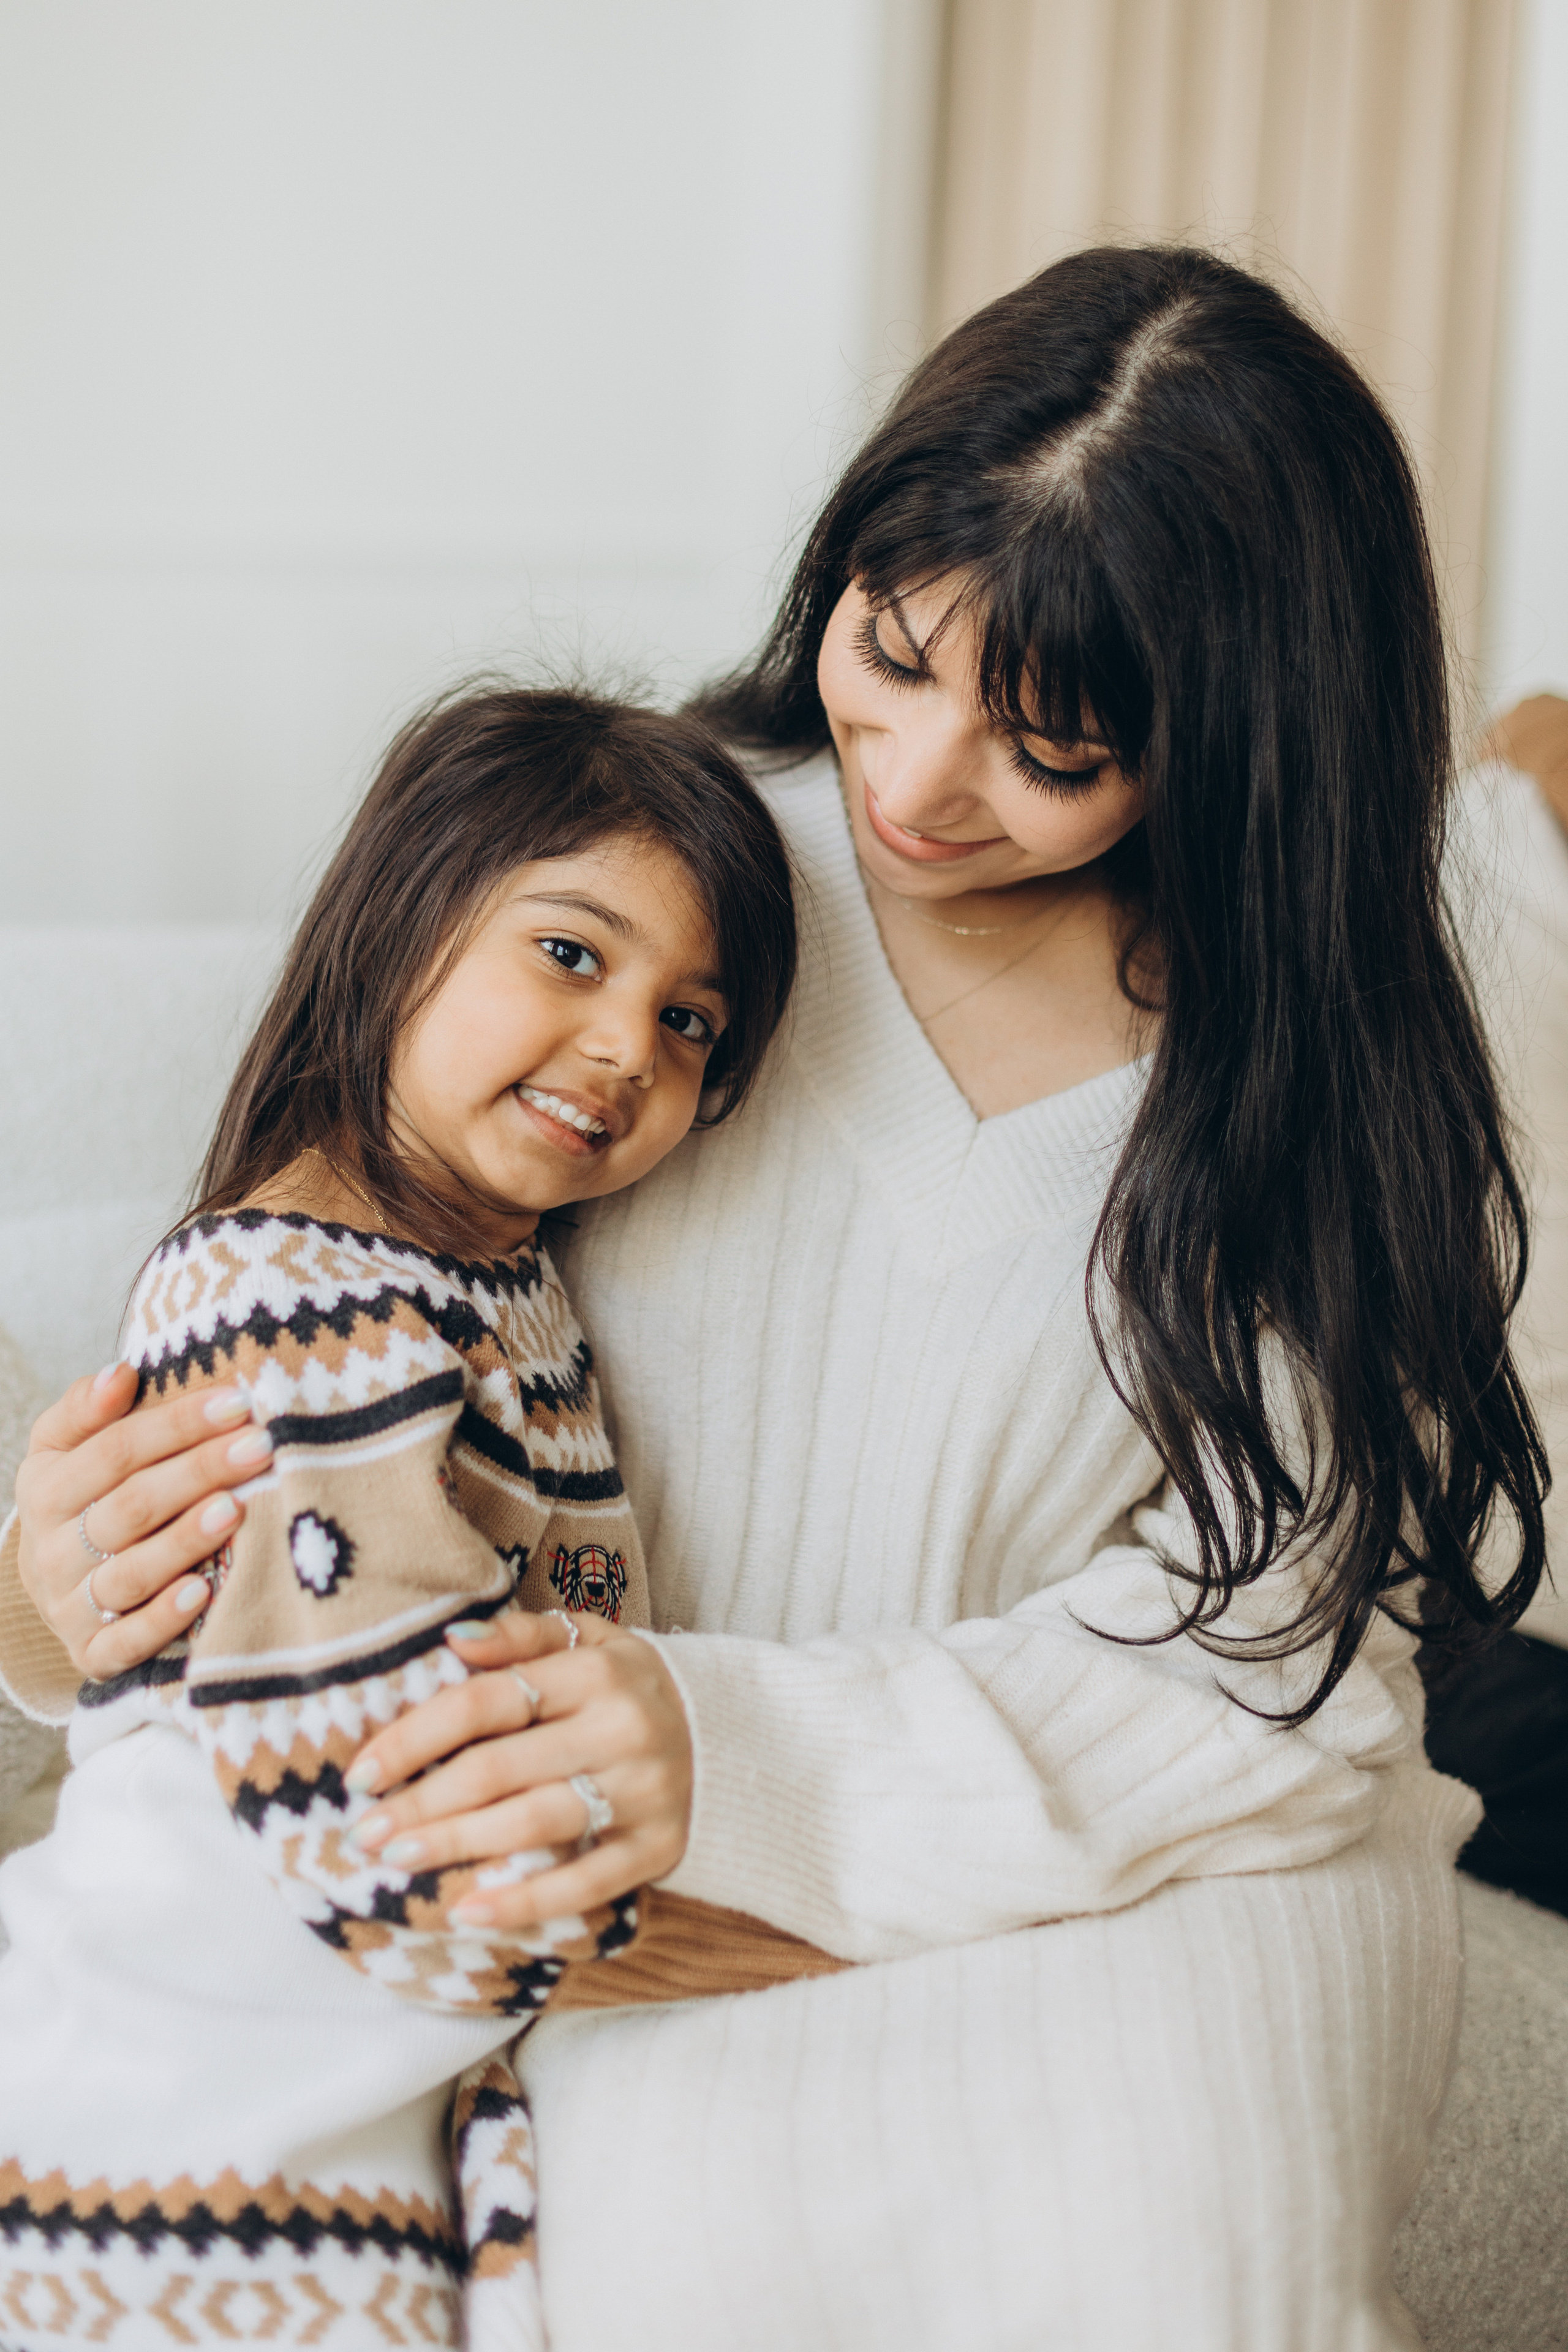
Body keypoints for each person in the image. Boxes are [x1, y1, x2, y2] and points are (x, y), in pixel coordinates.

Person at [2, 247, 1556, 2351]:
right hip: (596, 1870)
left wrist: (745, 1762)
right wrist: (62, 1589)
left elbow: (1276, 1678)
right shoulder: (653, 893)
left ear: (1235, 739)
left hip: (1157, 1854)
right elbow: (304, 1309)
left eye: (1053, 745)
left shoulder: (1319, 1080)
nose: (919, 780)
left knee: (1188, 2275)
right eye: (891, 654)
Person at [0, 687, 799, 2348]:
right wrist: (791, 1949)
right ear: (403, 913)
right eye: (574, 955)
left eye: (691, 1024)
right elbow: (393, 1778)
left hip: (336, 2067)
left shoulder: (485, 1284)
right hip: (175, 2103)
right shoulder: (301, 1306)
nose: (625, 1049)